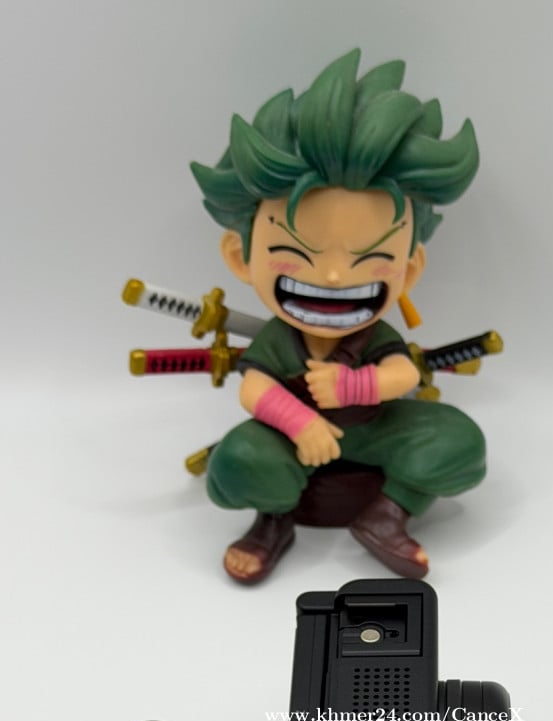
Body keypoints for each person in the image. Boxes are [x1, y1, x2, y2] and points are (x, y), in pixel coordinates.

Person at [191, 49, 486, 583]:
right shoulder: (282, 338)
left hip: (373, 429)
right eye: (296, 253)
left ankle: (387, 514)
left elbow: (403, 375)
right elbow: (253, 389)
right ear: (241, 257)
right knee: (236, 459)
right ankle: (273, 520)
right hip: (292, 439)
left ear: (409, 269)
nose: (331, 277)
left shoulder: (374, 334)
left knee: (461, 441)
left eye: (370, 258)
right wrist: (299, 422)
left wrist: (354, 386)